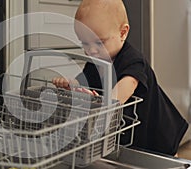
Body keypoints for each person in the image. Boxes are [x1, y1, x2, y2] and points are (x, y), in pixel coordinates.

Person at [52, 0, 189, 156]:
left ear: (123, 33)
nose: (91, 50)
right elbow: (84, 81)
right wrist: (70, 84)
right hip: (130, 131)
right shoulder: (96, 60)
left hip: (156, 130)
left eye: (99, 42)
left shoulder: (133, 59)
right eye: (84, 43)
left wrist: (107, 103)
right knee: (133, 154)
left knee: (163, 158)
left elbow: (128, 84)